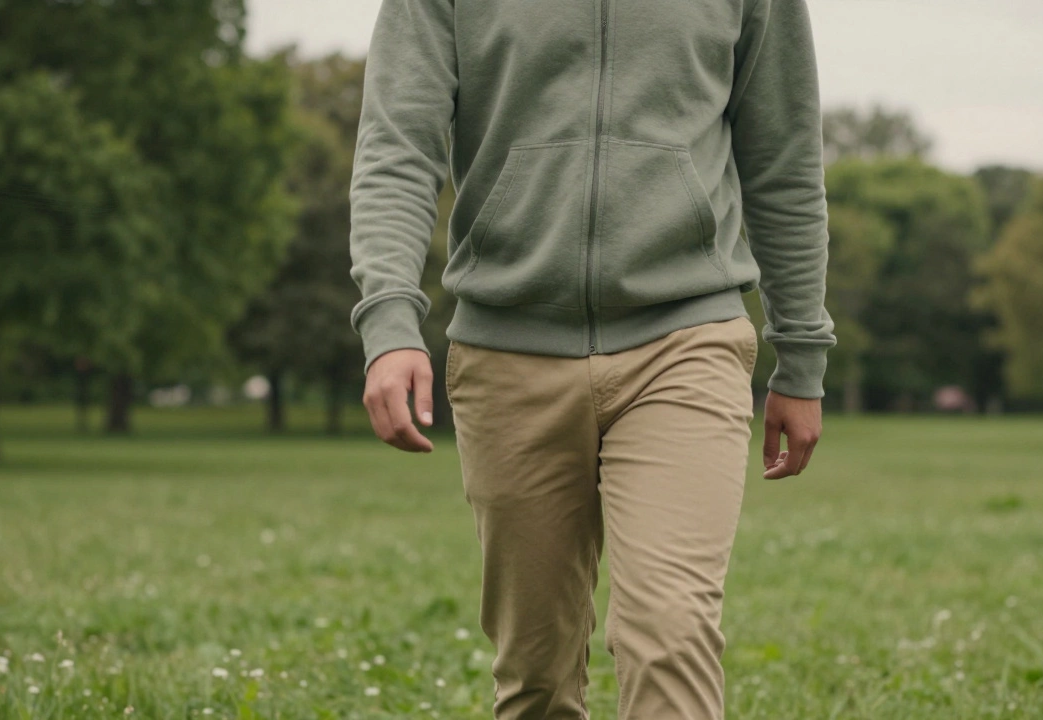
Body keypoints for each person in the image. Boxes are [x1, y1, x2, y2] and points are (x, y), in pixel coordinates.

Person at [347, 0, 835, 716]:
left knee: (670, 631)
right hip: (506, 349)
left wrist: (801, 353)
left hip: (685, 337)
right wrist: (389, 320)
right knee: (536, 675)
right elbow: (397, 147)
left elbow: (785, 163)